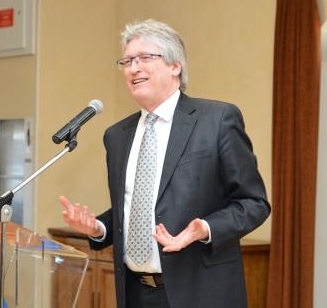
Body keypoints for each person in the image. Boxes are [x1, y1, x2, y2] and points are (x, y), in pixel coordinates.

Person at [60, 19, 270, 308]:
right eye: (127, 61)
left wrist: (206, 228)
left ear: (175, 66)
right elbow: (133, 208)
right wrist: (98, 228)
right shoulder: (117, 136)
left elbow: (254, 203)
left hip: (200, 292)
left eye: (145, 58)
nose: (133, 68)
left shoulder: (217, 120)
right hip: (135, 293)